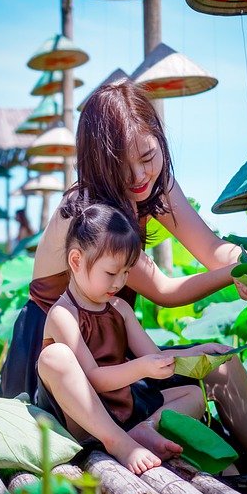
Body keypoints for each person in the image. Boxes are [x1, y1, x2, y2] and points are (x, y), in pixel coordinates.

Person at [0, 80, 247, 476]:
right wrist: (235, 275)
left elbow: (213, 250)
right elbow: (165, 291)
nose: (138, 176)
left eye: (148, 156)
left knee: (220, 361)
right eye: (121, 166)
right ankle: (132, 440)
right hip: (60, 373)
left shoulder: (153, 185)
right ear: (98, 164)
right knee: (187, 365)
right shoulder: (86, 216)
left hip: (116, 357)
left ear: (159, 141)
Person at [38, 203, 212, 474]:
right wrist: (141, 368)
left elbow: (156, 357)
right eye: (110, 273)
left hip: (127, 406)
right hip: (85, 419)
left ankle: (145, 429)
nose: (119, 283)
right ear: (76, 261)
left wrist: (200, 351)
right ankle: (118, 442)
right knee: (54, 357)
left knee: (193, 395)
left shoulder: (120, 308)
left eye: (126, 272)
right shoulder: (64, 313)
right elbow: (93, 378)